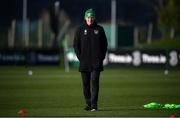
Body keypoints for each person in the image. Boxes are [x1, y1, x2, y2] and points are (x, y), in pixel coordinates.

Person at [73, 8, 108, 111]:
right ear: (85, 18)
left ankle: (94, 105)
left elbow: (104, 45)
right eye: (88, 17)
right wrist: (80, 57)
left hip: (96, 63)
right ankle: (88, 104)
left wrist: (101, 57)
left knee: (95, 82)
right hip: (84, 63)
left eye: (91, 17)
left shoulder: (100, 29)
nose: (90, 19)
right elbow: (76, 45)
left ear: (94, 18)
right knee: (86, 85)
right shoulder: (79, 29)